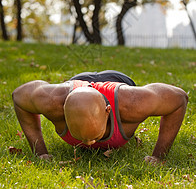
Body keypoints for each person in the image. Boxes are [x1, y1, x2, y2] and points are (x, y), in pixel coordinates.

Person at [12, 70, 188, 164]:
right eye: (80, 137)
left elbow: (179, 99)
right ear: (63, 111)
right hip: (78, 83)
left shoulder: (133, 104)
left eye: (95, 136)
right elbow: (19, 96)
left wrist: (159, 156)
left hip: (118, 80)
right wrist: (40, 152)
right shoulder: (53, 103)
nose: (89, 145)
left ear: (108, 111)